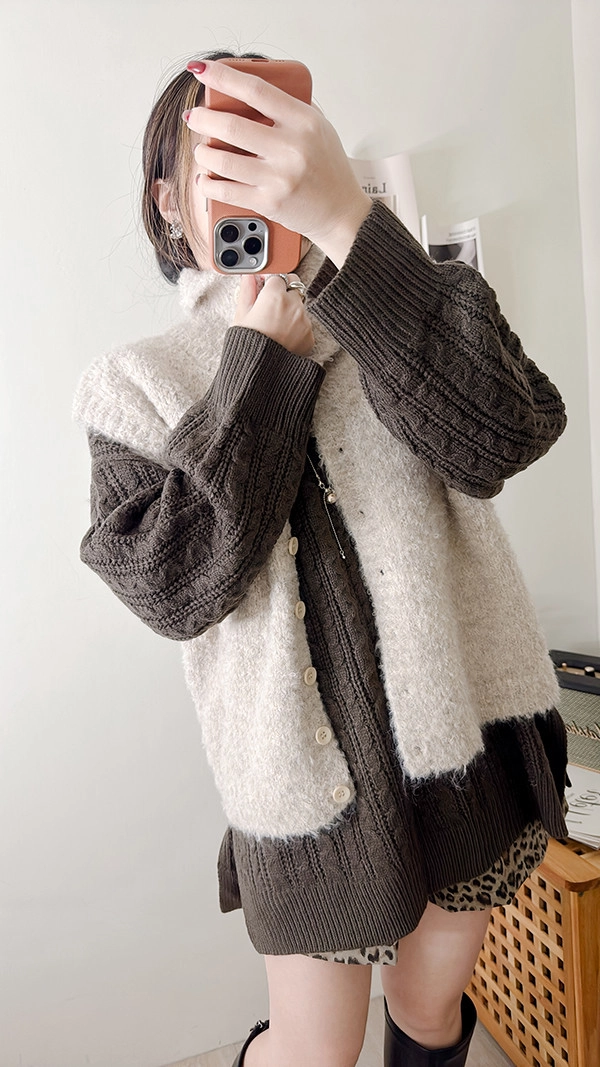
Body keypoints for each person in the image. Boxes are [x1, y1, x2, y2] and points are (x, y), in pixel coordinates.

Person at [72, 50, 571, 1067]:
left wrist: (349, 222)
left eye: (278, 151)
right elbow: (177, 584)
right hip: (303, 796)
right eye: (225, 159)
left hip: (462, 739)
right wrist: (262, 363)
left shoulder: (399, 306)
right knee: (315, 1051)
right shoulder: (133, 383)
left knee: (429, 1009)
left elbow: (505, 434)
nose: (257, 180)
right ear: (169, 202)